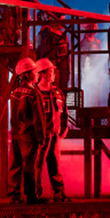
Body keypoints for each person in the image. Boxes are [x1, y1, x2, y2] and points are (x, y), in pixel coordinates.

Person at [9, 58, 46, 204]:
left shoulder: (15, 92)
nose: (37, 74)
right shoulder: (34, 93)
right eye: (35, 71)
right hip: (29, 135)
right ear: (28, 74)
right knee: (30, 167)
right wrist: (41, 136)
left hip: (16, 134)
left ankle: (15, 195)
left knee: (15, 166)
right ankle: (31, 196)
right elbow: (39, 118)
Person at [34, 58, 70, 202]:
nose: (54, 74)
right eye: (51, 71)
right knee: (37, 165)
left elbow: (64, 112)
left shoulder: (57, 92)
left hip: (54, 134)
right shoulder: (35, 93)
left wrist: (65, 127)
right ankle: (34, 195)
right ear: (43, 73)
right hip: (41, 136)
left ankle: (59, 194)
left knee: (55, 165)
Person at [36, 12, 71, 93]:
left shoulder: (63, 35)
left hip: (64, 71)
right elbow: (47, 54)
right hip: (55, 71)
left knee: (63, 92)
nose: (63, 23)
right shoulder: (49, 35)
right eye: (62, 20)